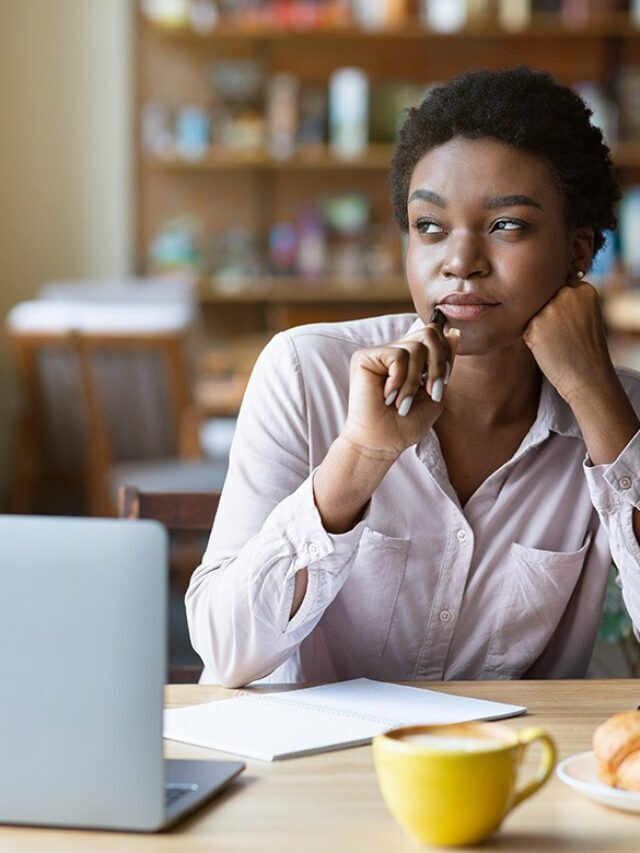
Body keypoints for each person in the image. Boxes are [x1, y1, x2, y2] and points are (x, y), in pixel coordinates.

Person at [187, 66, 640, 687]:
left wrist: (593, 394)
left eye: (507, 225)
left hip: (503, 771)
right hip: (311, 774)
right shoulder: (304, 373)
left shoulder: (617, 418)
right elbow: (224, 649)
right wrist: (359, 460)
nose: (459, 262)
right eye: (430, 227)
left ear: (579, 250)